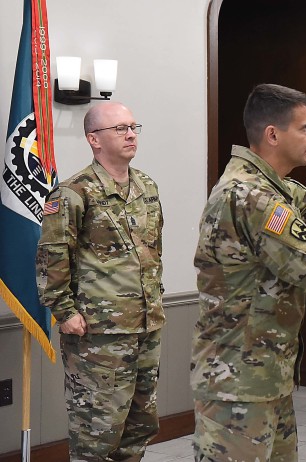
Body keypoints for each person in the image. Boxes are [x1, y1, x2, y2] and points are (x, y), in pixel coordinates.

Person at [191, 83, 306, 461]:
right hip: (237, 383)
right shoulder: (249, 194)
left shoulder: (269, 187)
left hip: (265, 375)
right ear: (273, 135)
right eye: (305, 128)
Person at [36, 102, 164, 462]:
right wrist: (65, 312)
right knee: (96, 430)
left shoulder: (146, 185)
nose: (130, 134)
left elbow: (154, 252)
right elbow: (52, 256)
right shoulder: (74, 192)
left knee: (139, 424)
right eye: (119, 128)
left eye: (133, 126)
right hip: (97, 332)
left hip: (145, 324)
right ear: (94, 139)